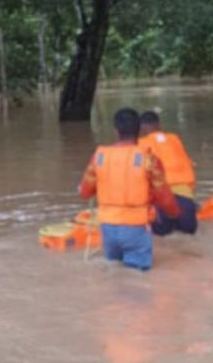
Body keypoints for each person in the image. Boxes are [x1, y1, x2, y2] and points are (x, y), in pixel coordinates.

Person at [78, 108, 181, 271]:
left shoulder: (99, 156)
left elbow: (84, 192)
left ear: (116, 130)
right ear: (139, 130)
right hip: (136, 228)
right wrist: (175, 214)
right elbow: (164, 196)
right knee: (137, 281)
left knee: (114, 273)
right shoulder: (149, 159)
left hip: (108, 228)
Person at [139, 111, 198, 235]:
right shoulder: (174, 139)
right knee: (187, 232)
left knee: (159, 233)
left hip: (161, 202)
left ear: (142, 128)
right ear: (159, 124)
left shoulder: (140, 144)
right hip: (186, 202)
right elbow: (190, 164)